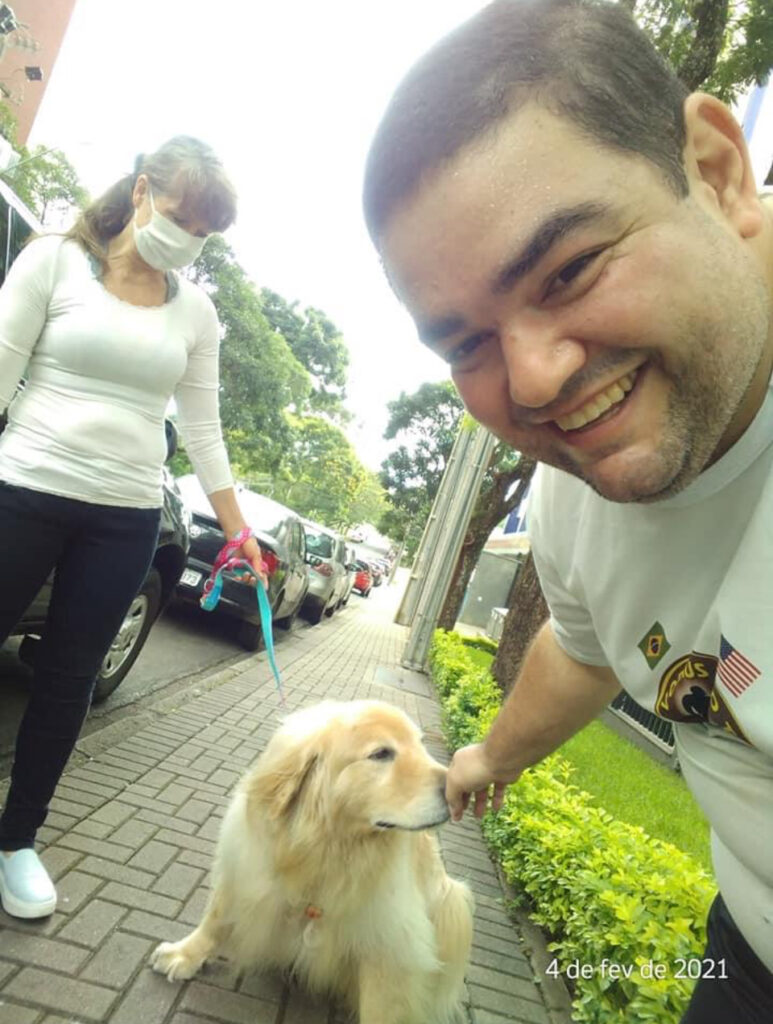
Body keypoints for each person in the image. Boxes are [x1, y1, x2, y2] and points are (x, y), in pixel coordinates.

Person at [362, 1, 773, 1021]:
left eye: (571, 269)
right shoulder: (572, 497)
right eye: (467, 344)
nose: (533, 381)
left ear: (717, 172)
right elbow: (587, 647)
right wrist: (486, 759)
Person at [0, 135, 267, 920]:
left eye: (203, 234)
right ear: (143, 189)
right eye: (181, 218)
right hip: (24, 490)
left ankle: (17, 842)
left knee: (69, 681)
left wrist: (238, 530)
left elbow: (204, 429)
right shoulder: (55, 262)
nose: (187, 240)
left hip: (125, 518)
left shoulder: (196, 313)